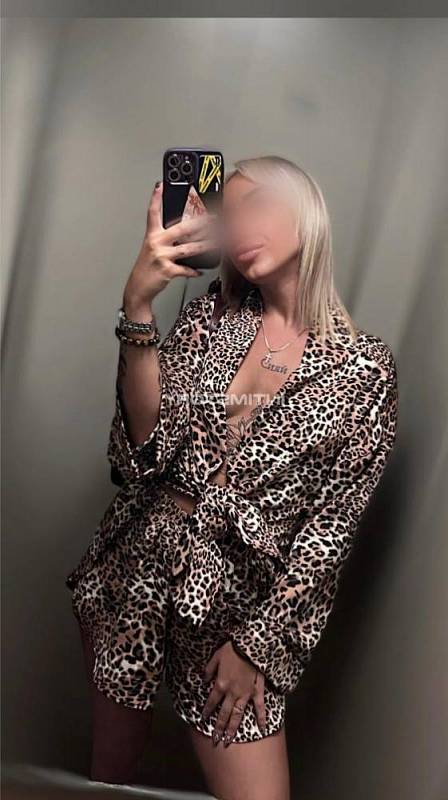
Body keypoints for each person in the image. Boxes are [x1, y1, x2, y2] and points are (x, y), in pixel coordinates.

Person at [65, 155, 399, 800]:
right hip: (134, 567)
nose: (242, 225)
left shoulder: (364, 370)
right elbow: (139, 454)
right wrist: (138, 304)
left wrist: (257, 647)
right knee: (109, 779)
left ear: (308, 212)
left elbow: (329, 532)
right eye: (232, 212)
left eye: (260, 204)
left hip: (234, 604)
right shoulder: (208, 320)